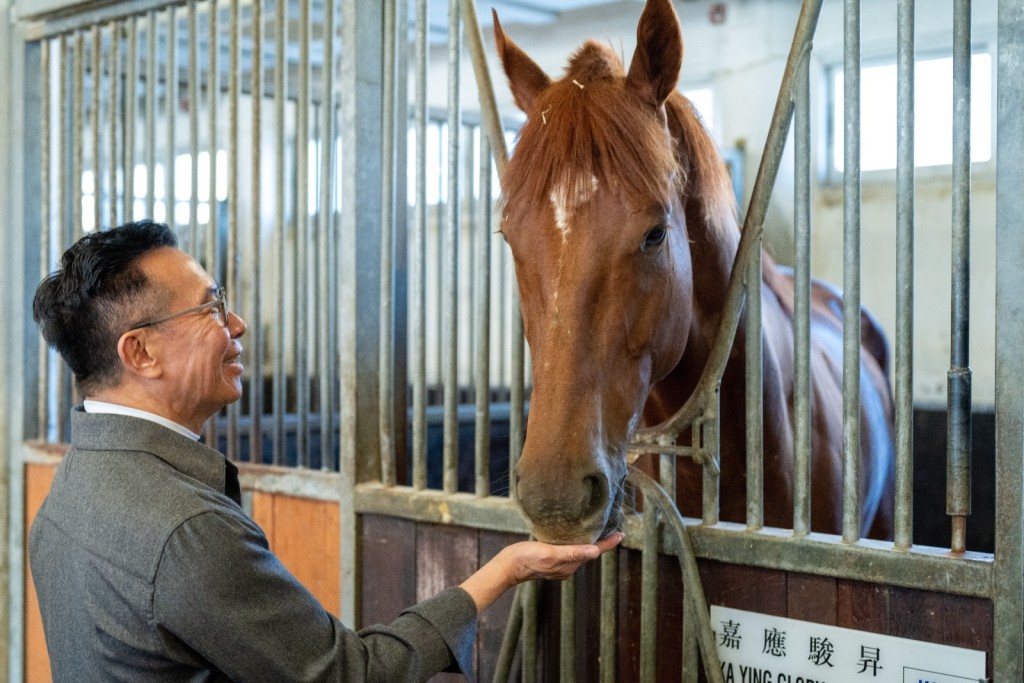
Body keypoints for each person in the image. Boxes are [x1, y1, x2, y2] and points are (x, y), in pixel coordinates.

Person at [29, 219, 623, 682]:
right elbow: (349, 675)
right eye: (210, 307)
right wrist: (505, 569)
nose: (236, 324)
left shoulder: (69, 490)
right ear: (140, 353)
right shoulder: (187, 529)